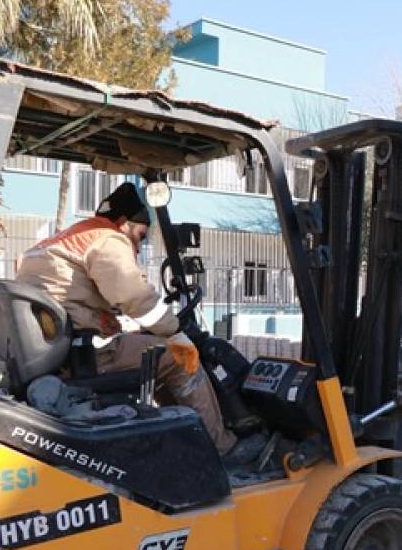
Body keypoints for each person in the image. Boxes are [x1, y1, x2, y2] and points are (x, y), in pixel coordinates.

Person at [16, 183, 265, 465]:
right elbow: (132, 295)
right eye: (140, 236)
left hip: (56, 350)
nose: (137, 246)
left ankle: (180, 434)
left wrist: (106, 322)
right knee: (180, 359)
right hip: (81, 355)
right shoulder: (107, 239)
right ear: (123, 223)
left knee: (152, 351)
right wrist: (174, 331)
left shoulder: (61, 241)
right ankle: (221, 448)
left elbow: (68, 302)